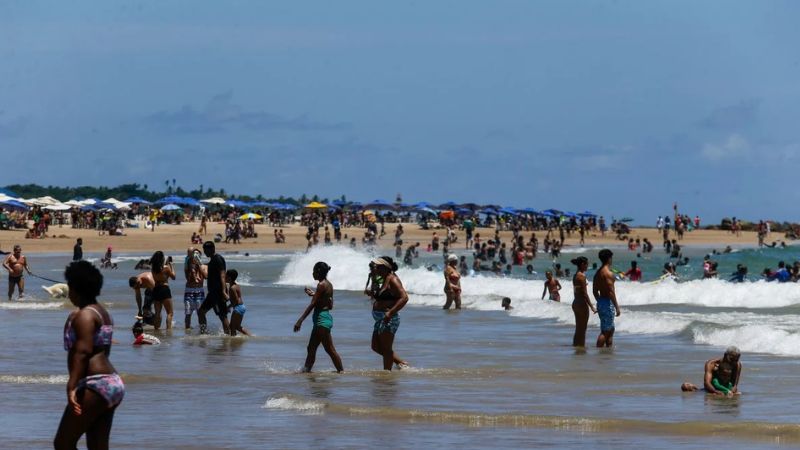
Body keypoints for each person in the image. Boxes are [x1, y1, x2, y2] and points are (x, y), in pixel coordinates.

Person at [54, 261, 124, 450]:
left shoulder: (85, 315)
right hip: (111, 383)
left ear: (76, 287)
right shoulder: (102, 312)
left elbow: (83, 351)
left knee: (63, 443)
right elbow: (103, 350)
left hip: (96, 383)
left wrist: (71, 385)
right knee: (97, 446)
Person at [293, 262, 343, 372]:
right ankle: (306, 372)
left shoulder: (321, 285)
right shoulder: (329, 284)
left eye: (314, 271)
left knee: (329, 349)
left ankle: (342, 373)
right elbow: (330, 305)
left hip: (321, 320)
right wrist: (314, 294)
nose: (312, 273)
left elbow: (312, 304)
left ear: (318, 271)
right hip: (323, 319)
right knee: (311, 348)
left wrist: (300, 320)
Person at [369, 257, 409, 370]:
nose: (376, 268)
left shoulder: (393, 279)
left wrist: (390, 312)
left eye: (378, 266)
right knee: (375, 347)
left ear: (385, 268)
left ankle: (387, 376)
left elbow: (404, 298)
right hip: (380, 318)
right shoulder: (384, 278)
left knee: (386, 349)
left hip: (389, 318)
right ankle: (401, 363)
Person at [198, 241, 230, 334]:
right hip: (212, 293)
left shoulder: (218, 259)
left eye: (206, 250)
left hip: (218, 293)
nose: (205, 252)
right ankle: (203, 333)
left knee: (222, 316)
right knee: (201, 312)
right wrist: (199, 263)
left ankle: (228, 337)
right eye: (204, 250)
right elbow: (207, 274)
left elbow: (223, 275)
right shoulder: (212, 260)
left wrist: (224, 291)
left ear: (212, 249)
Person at [593, 249, 621, 347]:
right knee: (606, 331)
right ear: (609, 258)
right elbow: (611, 292)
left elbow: (595, 291)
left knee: (610, 329)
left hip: (601, 302)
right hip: (607, 303)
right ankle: (598, 351)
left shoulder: (597, 273)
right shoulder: (608, 274)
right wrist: (617, 307)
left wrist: (600, 302)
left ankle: (607, 351)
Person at [571, 256, 596, 347]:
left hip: (575, 303)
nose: (587, 266)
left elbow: (577, 291)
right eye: (586, 264)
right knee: (583, 329)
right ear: (582, 264)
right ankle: (581, 349)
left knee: (578, 328)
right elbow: (585, 293)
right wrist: (592, 307)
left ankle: (576, 347)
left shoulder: (575, 275)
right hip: (581, 304)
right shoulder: (582, 276)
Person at [150, 251, 176, 330]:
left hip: (156, 289)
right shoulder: (166, 268)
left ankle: (156, 329)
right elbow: (173, 277)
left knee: (157, 312)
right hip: (164, 289)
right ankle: (168, 330)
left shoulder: (153, 268)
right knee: (170, 313)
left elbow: (161, 276)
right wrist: (171, 265)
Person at [184, 248, 207, 329]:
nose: (195, 257)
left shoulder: (203, 266)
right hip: (189, 291)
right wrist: (192, 265)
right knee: (188, 313)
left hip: (199, 291)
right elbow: (188, 278)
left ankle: (203, 330)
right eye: (194, 255)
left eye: (197, 255)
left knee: (200, 312)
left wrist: (199, 264)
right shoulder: (188, 266)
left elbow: (206, 276)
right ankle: (187, 330)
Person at [227, 269, 251, 336]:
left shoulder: (232, 288)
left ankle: (234, 339)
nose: (225, 278)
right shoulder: (236, 285)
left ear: (229, 278)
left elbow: (236, 300)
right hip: (242, 307)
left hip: (238, 307)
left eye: (226, 276)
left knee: (232, 326)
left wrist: (228, 307)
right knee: (236, 326)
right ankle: (250, 336)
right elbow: (235, 298)